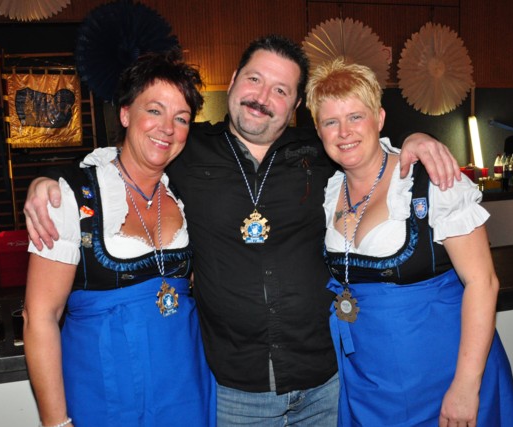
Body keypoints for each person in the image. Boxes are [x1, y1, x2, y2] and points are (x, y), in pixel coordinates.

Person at [25, 35, 461, 426]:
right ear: (233, 81)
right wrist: (46, 179)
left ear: (295, 107)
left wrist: (416, 140)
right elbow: (125, 159)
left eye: (281, 90)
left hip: (324, 382)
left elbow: (365, 146)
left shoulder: (322, 153)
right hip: (233, 392)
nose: (262, 97)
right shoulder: (184, 148)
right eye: (254, 79)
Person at [306, 58, 513, 426]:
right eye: (331, 122)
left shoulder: (433, 181)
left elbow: (483, 283)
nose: (344, 132)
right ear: (318, 129)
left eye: (355, 117)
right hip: (367, 380)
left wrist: (466, 387)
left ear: (379, 118)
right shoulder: (328, 189)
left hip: (443, 376)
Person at [22, 52, 216, 427]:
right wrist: (56, 422)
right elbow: (40, 317)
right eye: (154, 111)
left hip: (184, 388)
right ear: (125, 114)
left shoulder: (185, 192)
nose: (168, 128)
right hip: (105, 393)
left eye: (181, 118)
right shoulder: (72, 197)